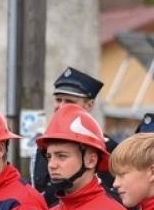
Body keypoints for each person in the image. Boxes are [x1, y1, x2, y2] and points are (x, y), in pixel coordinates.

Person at [31, 65, 104, 195]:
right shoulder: (45, 144)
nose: (62, 107)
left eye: (69, 101)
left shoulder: (105, 148)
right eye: (58, 100)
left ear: (89, 105)